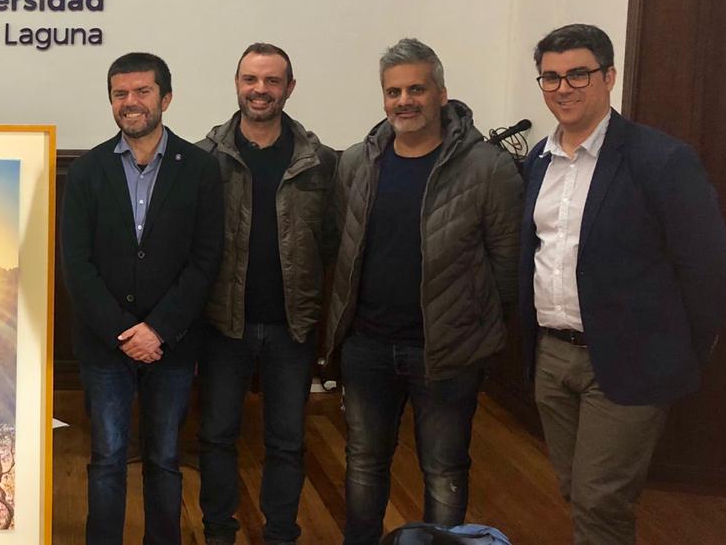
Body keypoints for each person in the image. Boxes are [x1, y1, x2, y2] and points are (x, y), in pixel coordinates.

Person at [522, 23, 726, 544]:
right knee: (577, 491)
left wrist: (679, 349)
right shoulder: (538, 161)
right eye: (551, 77)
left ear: (609, 77)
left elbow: (709, 270)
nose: (563, 88)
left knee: (600, 503)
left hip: (627, 361)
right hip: (551, 358)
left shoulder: (661, 160)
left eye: (578, 74)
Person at [324, 38, 521, 545]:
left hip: (447, 351)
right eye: (394, 92)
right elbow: (345, 246)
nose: (404, 101)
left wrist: (475, 327)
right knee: (363, 461)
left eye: (416, 89)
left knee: (444, 468)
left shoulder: (487, 168)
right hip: (367, 345)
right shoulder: (357, 163)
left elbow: (506, 266)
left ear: (441, 93)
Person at [61, 52, 223, 544]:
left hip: (172, 343)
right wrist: (123, 332)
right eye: (120, 94)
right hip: (104, 345)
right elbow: (76, 264)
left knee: (165, 459)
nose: (130, 102)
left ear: (166, 98)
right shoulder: (87, 171)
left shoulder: (200, 170)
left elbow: (205, 260)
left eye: (142, 91)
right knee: (107, 458)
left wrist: (157, 330)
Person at [193, 43, 337, 545]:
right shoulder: (205, 159)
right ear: (237, 84)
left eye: (272, 81)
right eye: (251, 79)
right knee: (216, 436)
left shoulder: (318, 162)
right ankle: (218, 532)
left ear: (289, 88)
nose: (260, 90)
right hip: (222, 324)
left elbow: (332, 243)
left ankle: (280, 534)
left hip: (291, 326)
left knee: (287, 441)